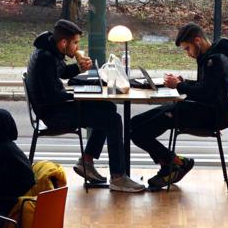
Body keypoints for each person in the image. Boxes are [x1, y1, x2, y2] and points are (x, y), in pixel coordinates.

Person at [24, 19, 144, 192]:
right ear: (64, 42)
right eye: (75, 43)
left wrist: (79, 69)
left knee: (108, 108)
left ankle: (86, 161)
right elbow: (54, 96)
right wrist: (81, 95)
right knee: (113, 120)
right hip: (54, 115)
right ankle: (118, 177)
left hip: (54, 108)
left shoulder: (49, 49)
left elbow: (62, 72)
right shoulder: (46, 59)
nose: (77, 47)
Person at [128, 20, 228, 191]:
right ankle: (173, 164)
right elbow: (206, 86)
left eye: (187, 48)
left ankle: (173, 164)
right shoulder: (209, 57)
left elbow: (206, 93)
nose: (188, 53)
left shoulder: (213, 60)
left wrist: (177, 86)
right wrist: (183, 82)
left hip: (207, 115)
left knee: (138, 131)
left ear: (197, 41)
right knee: (133, 124)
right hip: (199, 109)